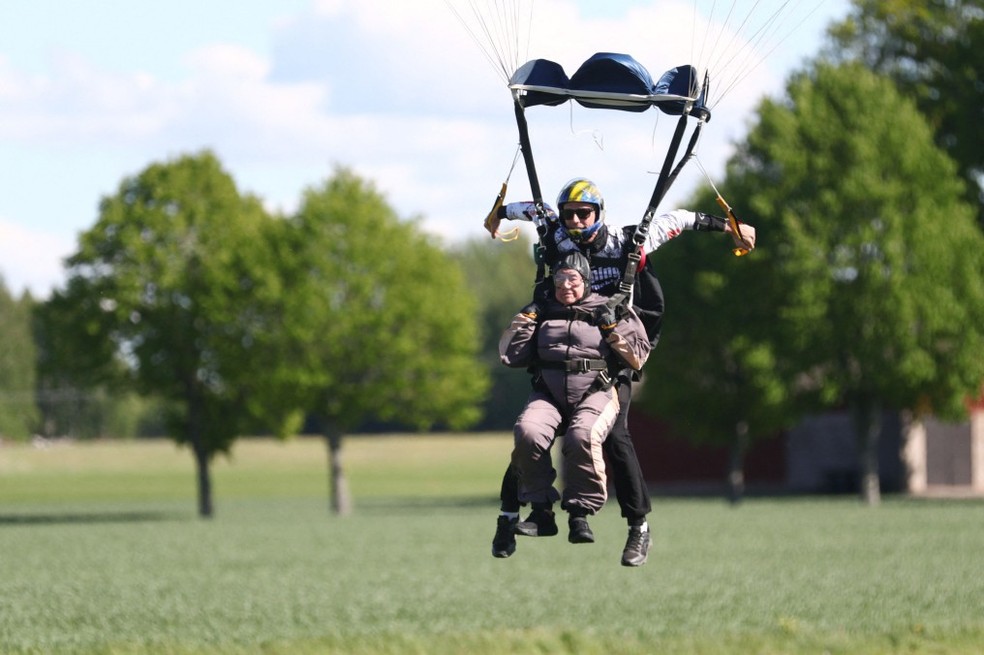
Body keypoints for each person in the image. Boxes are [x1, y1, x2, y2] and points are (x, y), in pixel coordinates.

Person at [489, 177, 755, 566]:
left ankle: (638, 528)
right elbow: (527, 209)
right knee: (531, 434)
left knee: (615, 436)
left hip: (613, 356)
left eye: (584, 213)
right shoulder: (554, 230)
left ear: (599, 214)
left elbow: (679, 220)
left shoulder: (628, 241)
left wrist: (731, 226)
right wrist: (497, 214)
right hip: (561, 349)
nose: (576, 221)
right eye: (570, 215)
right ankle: (512, 515)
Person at [499, 251, 651, 544]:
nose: (565, 286)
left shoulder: (611, 308)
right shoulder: (542, 309)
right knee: (527, 432)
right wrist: (527, 317)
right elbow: (509, 355)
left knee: (582, 435)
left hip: (596, 391)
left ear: (587, 282)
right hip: (549, 393)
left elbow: (637, 357)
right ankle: (541, 510)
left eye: (573, 280)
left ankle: (580, 512)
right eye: (559, 279)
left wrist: (611, 327)